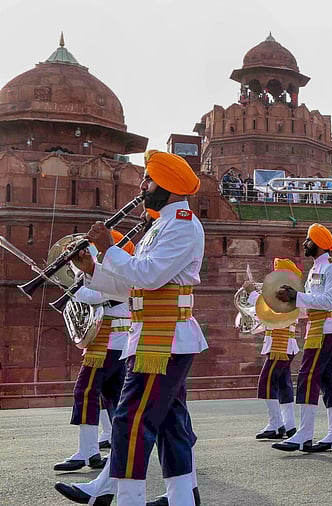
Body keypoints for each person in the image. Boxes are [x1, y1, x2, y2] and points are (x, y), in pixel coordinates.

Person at [58, 150, 205, 506]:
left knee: (130, 422)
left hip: (164, 339)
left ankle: (128, 498)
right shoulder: (161, 225)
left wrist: (110, 247)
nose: (143, 186)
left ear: (167, 186)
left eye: (149, 180)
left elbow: (149, 277)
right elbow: (131, 286)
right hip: (154, 336)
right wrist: (92, 267)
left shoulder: (183, 225)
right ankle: (182, 498)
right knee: (171, 425)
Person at [53, 232, 135, 473]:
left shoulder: (115, 275)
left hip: (107, 342)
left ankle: (88, 452)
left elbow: (91, 296)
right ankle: (112, 440)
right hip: (117, 342)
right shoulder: (121, 272)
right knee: (111, 395)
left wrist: (68, 277)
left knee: (85, 392)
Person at [272, 224, 332, 453]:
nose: (304, 243)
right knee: (330, 382)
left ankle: (304, 434)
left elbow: (328, 301)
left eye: (308, 240)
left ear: (318, 243)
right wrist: (287, 302)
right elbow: (309, 305)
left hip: (326, 328)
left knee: (307, 377)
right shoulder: (317, 268)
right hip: (317, 328)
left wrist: (297, 297)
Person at [245, 261, 302, 441]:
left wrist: (252, 293)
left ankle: (276, 424)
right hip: (281, 344)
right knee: (283, 384)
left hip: (281, 346)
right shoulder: (287, 294)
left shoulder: (287, 295)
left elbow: (269, 311)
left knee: (266, 381)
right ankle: (290, 425)